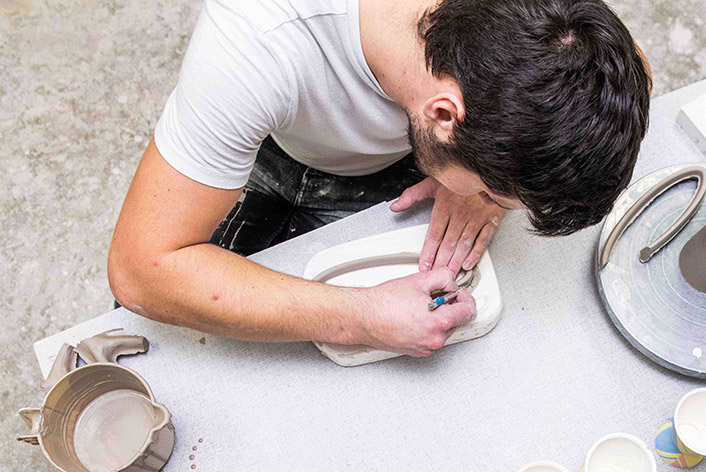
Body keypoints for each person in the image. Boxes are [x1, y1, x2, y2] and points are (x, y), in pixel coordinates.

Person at [108, 0, 651, 357]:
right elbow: (140, 271)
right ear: (444, 115)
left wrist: (493, 190)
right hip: (265, 146)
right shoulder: (257, 47)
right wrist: (358, 316)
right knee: (168, 349)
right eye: (489, 193)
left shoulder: (542, 26)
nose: (488, 203)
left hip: (428, 144)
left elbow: (632, 67)